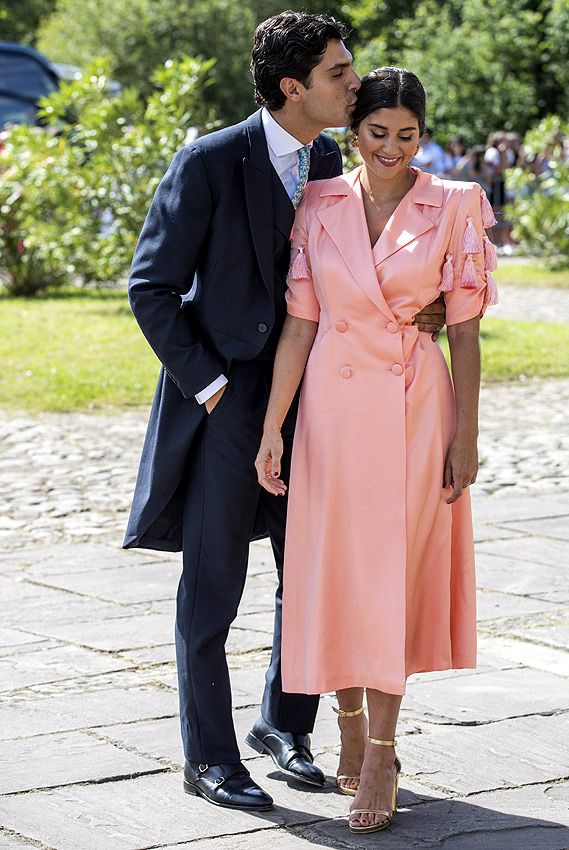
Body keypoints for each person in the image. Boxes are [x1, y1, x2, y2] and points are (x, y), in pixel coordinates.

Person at [123, 12, 443, 812]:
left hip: (321, 403)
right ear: (293, 87)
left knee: (311, 574)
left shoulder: (332, 155)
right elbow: (150, 288)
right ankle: (208, 757)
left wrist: (427, 311)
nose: (355, 81)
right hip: (227, 406)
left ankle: (284, 727)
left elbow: (361, 265)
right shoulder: (206, 162)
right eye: (340, 72)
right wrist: (215, 388)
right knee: (214, 586)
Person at [255, 67, 498, 834]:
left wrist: (468, 432)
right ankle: (348, 726)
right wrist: (273, 426)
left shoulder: (455, 206)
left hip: (414, 409)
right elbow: (299, 322)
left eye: (408, 134)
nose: (392, 147)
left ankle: (383, 753)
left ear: (423, 135)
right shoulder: (318, 202)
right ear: (350, 131)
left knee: (392, 575)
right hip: (330, 405)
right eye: (376, 132)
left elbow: (463, 331)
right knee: (338, 573)